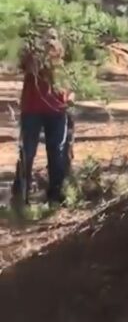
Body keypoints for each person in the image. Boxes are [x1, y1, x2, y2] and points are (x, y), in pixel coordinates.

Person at [14, 29, 73, 206]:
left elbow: (72, 83)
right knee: (28, 151)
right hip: (32, 110)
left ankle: (55, 194)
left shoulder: (62, 59)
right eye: (46, 39)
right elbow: (23, 65)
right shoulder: (32, 57)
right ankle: (21, 195)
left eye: (53, 39)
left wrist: (70, 98)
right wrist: (34, 55)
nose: (49, 43)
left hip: (57, 110)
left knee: (57, 152)